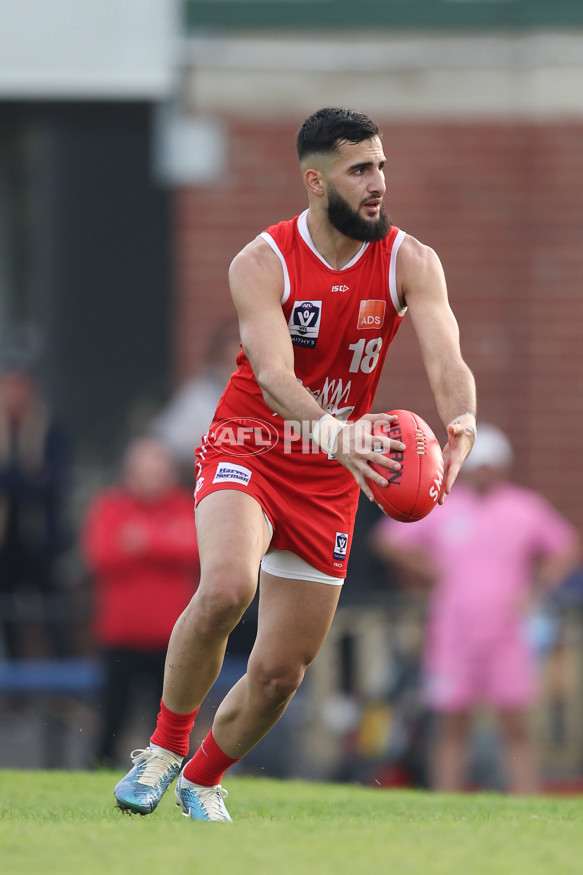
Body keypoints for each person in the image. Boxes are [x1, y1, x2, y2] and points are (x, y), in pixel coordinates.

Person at [114, 106, 477, 821]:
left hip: (329, 479)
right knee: (224, 589)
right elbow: (276, 377)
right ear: (315, 181)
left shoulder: (412, 260)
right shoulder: (261, 262)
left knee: (281, 672)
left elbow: (447, 357)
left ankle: (203, 778)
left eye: (381, 166)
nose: (378, 183)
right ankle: (161, 749)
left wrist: (461, 421)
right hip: (251, 444)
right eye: (359, 170)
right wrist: (334, 431)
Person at [372, 424, 579, 794]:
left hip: (508, 631)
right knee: (452, 722)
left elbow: (565, 546)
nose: (484, 473)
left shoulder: (523, 507)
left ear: (502, 467)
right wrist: (430, 568)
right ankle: (446, 800)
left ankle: (525, 799)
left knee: (515, 722)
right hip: (455, 630)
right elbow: (390, 539)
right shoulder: (444, 506)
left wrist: (536, 589)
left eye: (490, 466)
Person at [82, 437, 199, 766]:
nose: (151, 478)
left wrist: (142, 540)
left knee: (170, 723)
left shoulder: (184, 504)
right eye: (144, 470)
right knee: (112, 719)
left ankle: (168, 776)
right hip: (120, 637)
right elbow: (102, 556)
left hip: (173, 639)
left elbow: (194, 548)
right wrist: (165, 540)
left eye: (157, 470)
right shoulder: (109, 506)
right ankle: (100, 772)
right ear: (129, 472)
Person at [0, 349, 70, 659]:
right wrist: (27, 478)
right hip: (5, 545)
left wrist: (10, 478)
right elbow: (34, 483)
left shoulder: (48, 428)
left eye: (19, 385)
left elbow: (52, 485)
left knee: (54, 617)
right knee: (8, 621)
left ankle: (64, 692)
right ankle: (15, 697)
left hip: (40, 542)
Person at [149, 317, 241, 472]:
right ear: (221, 351)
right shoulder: (200, 393)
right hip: (203, 478)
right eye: (236, 340)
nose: (241, 346)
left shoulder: (270, 392)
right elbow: (163, 442)